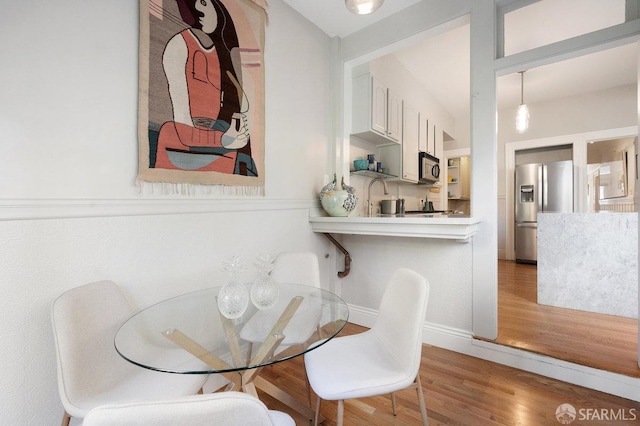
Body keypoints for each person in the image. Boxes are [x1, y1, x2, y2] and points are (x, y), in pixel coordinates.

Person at [155, 0, 257, 176]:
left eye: (203, 1)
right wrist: (224, 140)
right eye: (191, 3)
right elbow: (182, 128)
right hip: (185, 144)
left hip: (221, 144)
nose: (196, 9)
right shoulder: (179, 45)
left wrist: (235, 137)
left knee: (247, 164)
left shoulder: (229, 63)